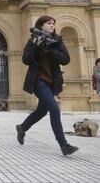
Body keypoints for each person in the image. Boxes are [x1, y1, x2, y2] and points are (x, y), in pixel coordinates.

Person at [16, 15, 79, 156]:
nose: (52, 25)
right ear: (41, 25)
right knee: (54, 108)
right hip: (38, 80)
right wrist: (36, 47)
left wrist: (50, 50)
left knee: (42, 110)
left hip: (53, 82)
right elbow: (26, 60)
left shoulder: (57, 41)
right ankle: (64, 145)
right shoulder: (33, 40)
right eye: (49, 23)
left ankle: (22, 128)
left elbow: (66, 59)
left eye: (53, 23)